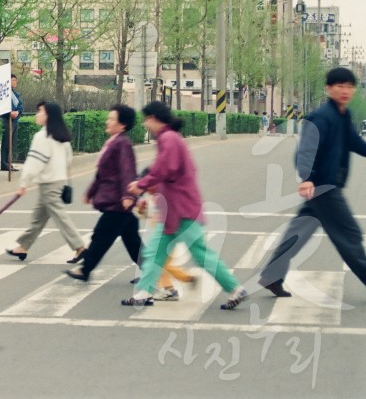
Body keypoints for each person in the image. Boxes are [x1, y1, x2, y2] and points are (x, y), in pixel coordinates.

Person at [122, 101, 247, 310]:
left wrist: (141, 184)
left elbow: (164, 169)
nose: (145, 124)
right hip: (172, 209)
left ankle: (235, 288)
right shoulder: (170, 138)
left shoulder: (168, 139)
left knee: (199, 253)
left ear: (154, 118)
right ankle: (143, 293)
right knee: (155, 252)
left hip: (182, 209)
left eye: (146, 120)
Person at [259, 67, 366, 297]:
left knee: (298, 233)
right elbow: (305, 149)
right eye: (340, 85)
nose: (345, 90)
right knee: (350, 235)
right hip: (323, 187)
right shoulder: (321, 117)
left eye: (349, 86)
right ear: (329, 89)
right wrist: (306, 178)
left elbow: (355, 143)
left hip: (323, 186)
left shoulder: (343, 116)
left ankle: (271, 276)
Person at [65, 105, 141, 282]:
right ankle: (153, 273)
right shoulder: (114, 142)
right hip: (117, 200)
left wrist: (128, 196)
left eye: (112, 119)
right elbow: (103, 173)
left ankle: (85, 269)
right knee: (132, 241)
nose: (107, 121)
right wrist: (91, 191)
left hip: (118, 201)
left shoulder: (122, 144)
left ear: (122, 125)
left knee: (101, 236)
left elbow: (127, 171)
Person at [5, 101, 85, 263]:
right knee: (38, 218)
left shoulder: (42, 137)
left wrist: (23, 184)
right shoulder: (62, 136)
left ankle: (80, 247)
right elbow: (68, 160)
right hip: (58, 181)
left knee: (60, 217)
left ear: (48, 116)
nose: (37, 115)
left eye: (40, 111)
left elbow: (34, 163)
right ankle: (23, 247)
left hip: (49, 184)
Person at [0, 74, 23, 172]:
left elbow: (20, 106)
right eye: (12, 80)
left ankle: (10, 163)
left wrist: (17, 112)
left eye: (15, 80)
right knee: (6, 143)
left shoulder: (16, 94)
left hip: (14, 120)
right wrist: (9, 113)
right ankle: (4, 164)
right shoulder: (4, 93)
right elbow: (1, 107)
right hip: (6, 120)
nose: (14, 82)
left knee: (12, 143)